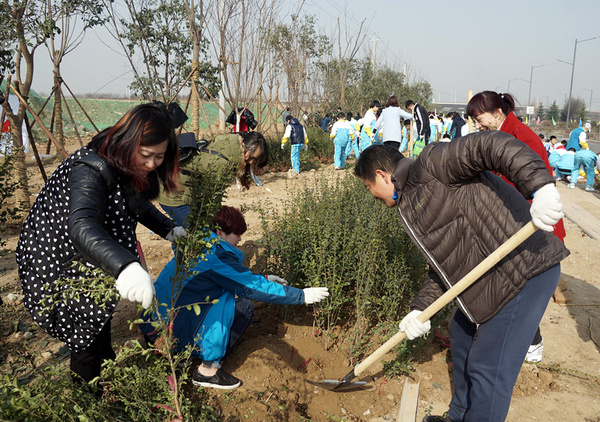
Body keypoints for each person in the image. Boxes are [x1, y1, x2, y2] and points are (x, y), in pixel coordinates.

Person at [354, 134, 569, 422]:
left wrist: (540, 187)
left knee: (488, 366)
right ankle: (458, 417)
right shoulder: (410, 206)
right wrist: (420, 309)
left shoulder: (432, 165)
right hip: (489, 280)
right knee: (462, 336)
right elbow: (443, 267)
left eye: (369, 187)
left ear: (381, 175)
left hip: (524, 269)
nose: (372, 196)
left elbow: (491, 145)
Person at [16, 102, 187, 387]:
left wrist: (169, 229)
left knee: (98, 315)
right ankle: (86, 399)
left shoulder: (124, 163)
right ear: (129, 140)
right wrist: (126, 266)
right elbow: (82, 225)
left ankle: (104, 377)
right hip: (59, 258)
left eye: (159, 157)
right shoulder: (91, 167)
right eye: (147, 155)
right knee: (84, 331)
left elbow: (138, 205)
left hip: (91, 254)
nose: (152, 164)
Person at [141, 206, 330, 389]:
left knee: (224, 291)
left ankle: (182, 356)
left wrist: (264, 278)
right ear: (220, 232)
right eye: (237, 234)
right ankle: (207, 370)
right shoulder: (216, 258)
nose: (240, 239)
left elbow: (227, 276)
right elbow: (248, 287)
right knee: (240, 305)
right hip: (171, 330)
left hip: (153, 324)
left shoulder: (197, 245)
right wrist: (301, 295)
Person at [467, 90, 566, 362]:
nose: (478, 125)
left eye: (480, 118)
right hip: (515, 223)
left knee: (519, 288)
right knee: (509, 285)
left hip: (534, 227)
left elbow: (529, 183)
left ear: (497, 114)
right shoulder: (499, 134)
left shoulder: (522, 138)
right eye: (474, 120)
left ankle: (531, 343)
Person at [157, 131, 268, 226]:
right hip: (172, 193)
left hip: (180, 187)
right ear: (244, 145)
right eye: (252, 157)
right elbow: (213, 198)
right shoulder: (223, 162)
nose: (251, 162)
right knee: (194, 232)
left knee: (190, 231)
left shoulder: (227, 143)